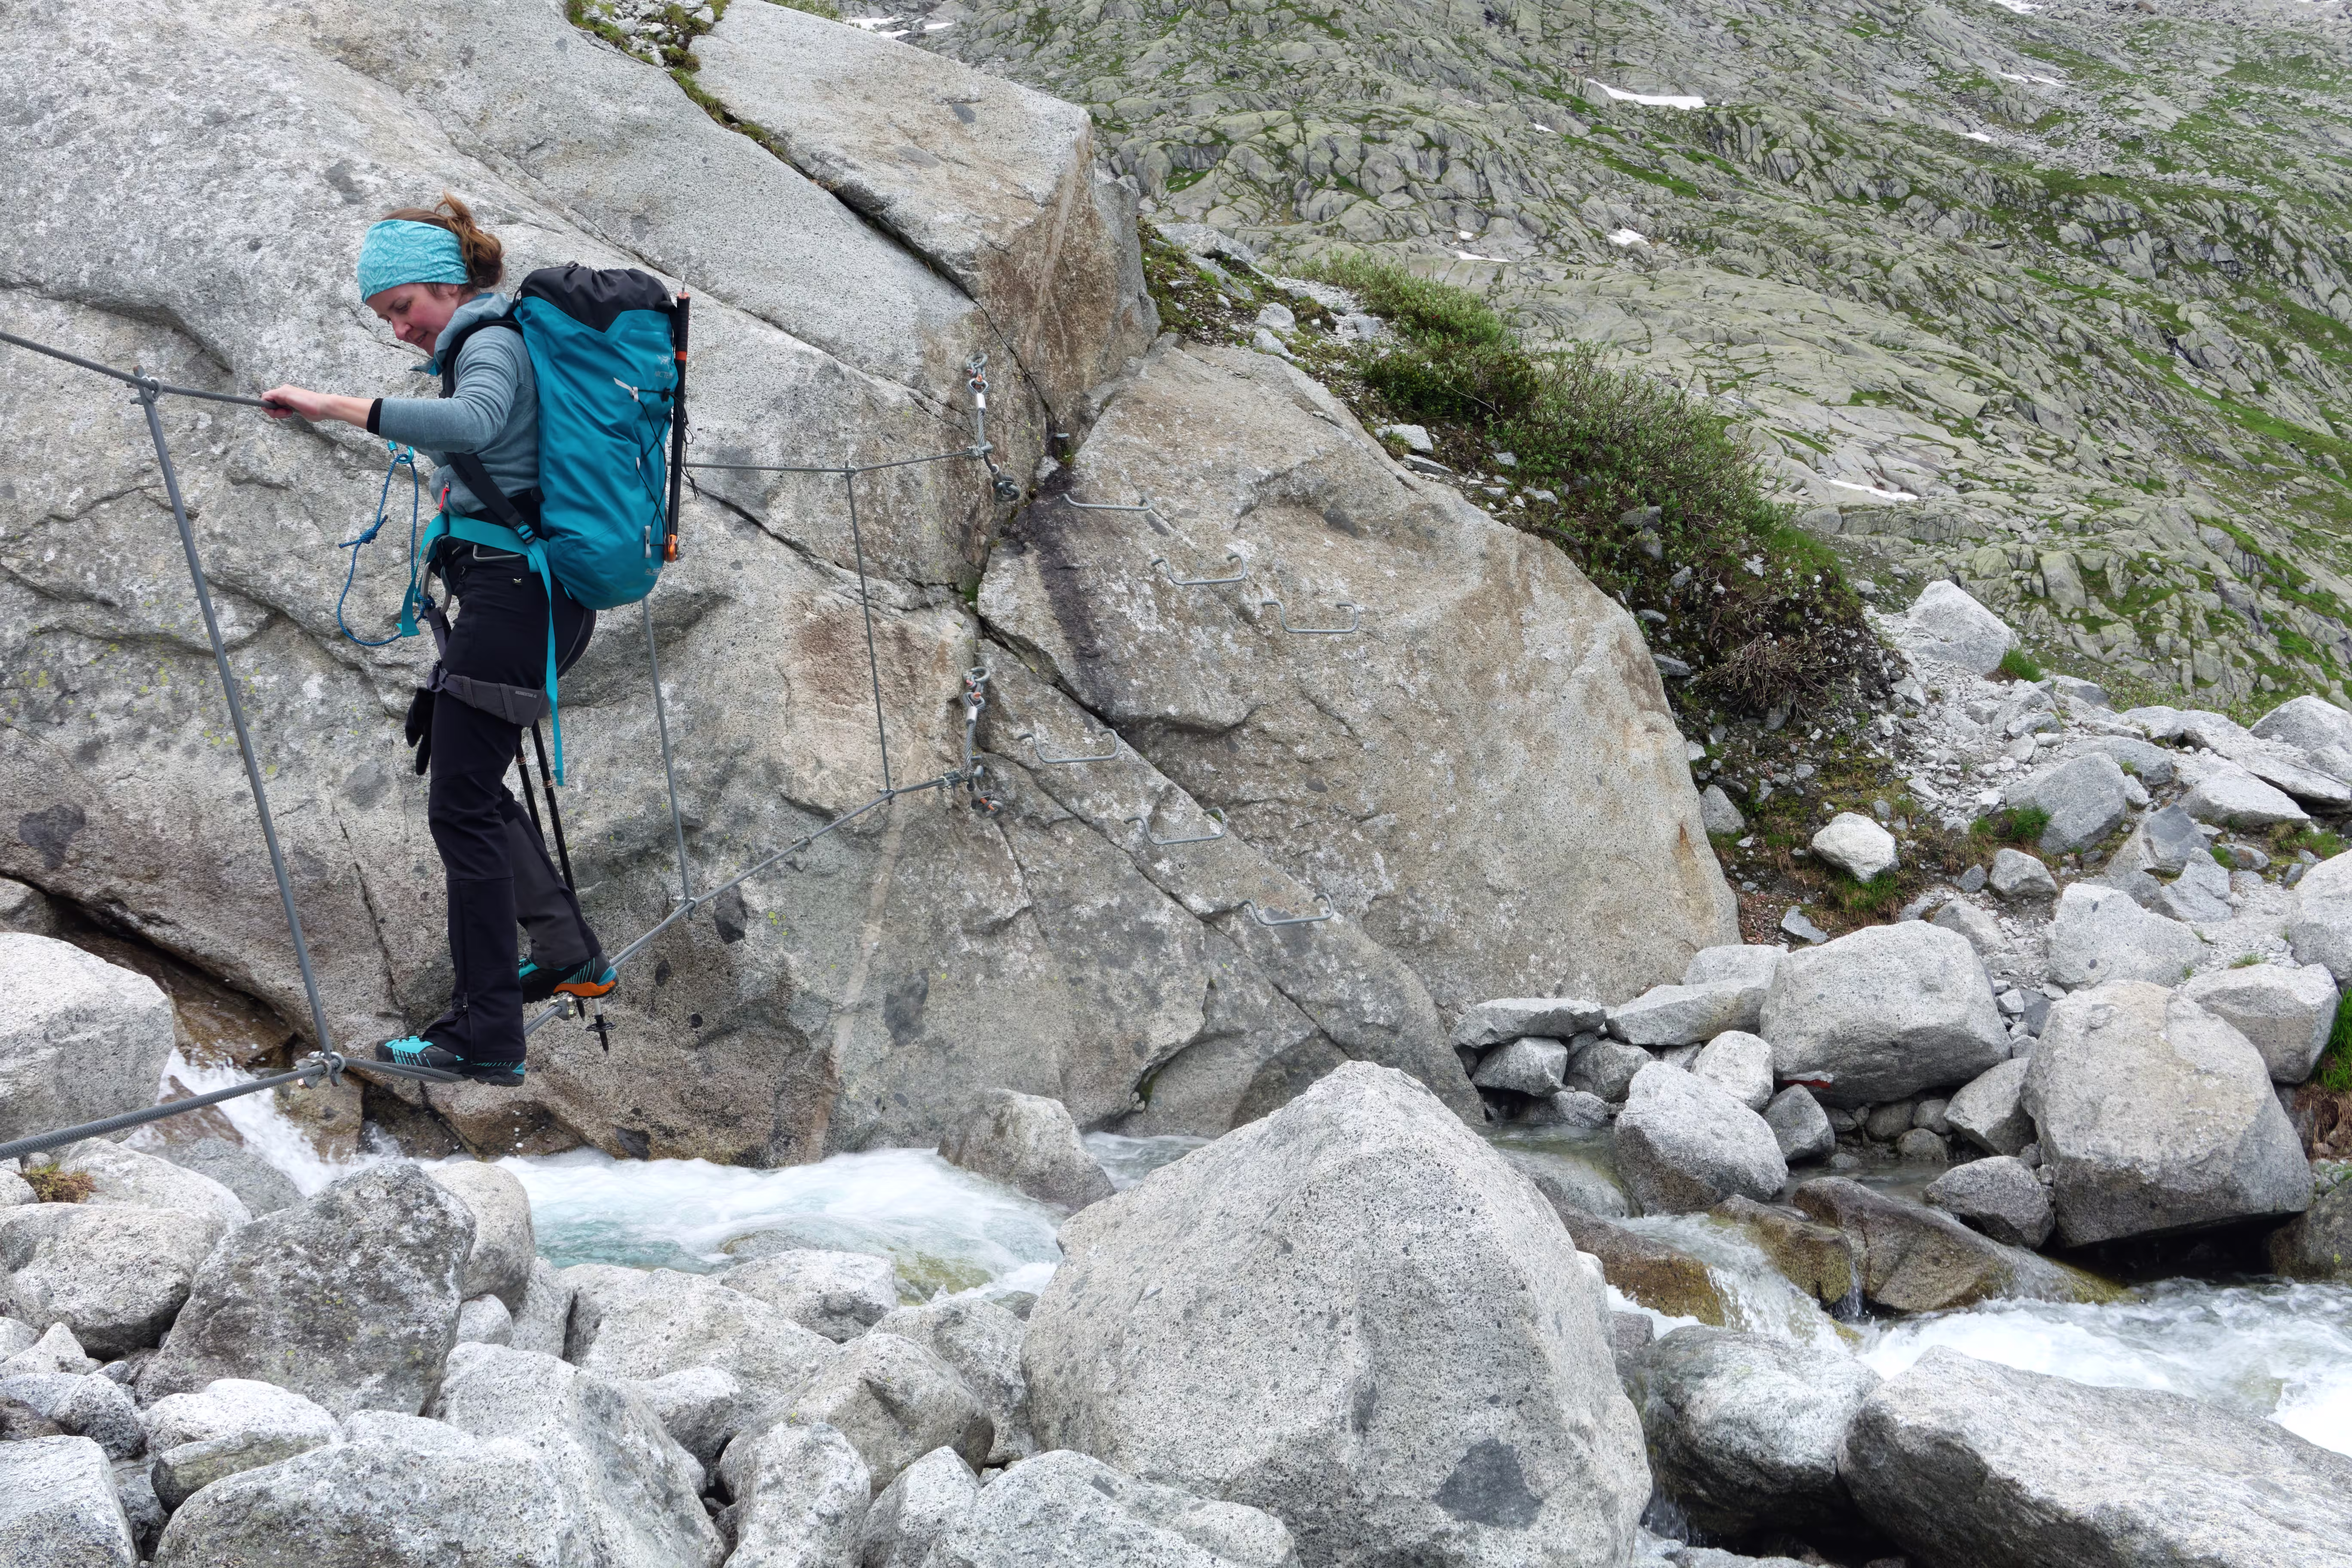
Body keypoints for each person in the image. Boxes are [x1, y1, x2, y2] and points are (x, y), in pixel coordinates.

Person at [263, 195, 615, 1086]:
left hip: (515, 598)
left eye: (402, 308)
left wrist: (334, 405)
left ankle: (486, 1036)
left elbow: (476, 424)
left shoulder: (488, 339)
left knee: (458, 804)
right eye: (387, 318)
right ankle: (568, 949)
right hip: (526, 597)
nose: (398, 331)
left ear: (449, 283)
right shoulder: (496, 337)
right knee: (469, 780)